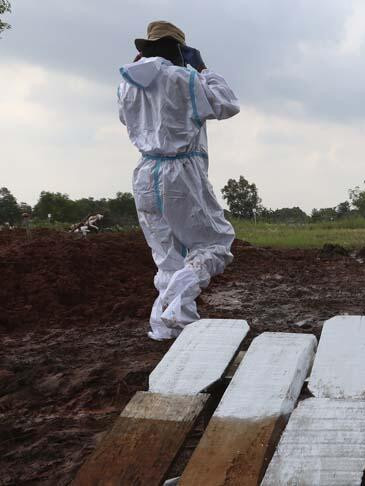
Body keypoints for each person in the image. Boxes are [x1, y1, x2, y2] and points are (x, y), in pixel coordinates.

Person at [118, 21, 240, 340]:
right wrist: (203, 69)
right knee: (216, 244)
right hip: (180, 172)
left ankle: (169, 325)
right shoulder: (183, 78)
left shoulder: (125, 84)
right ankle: (174, 308)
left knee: (167, 255)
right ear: (179, 50)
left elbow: (126, 119)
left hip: (145, 173)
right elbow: (227, 103)